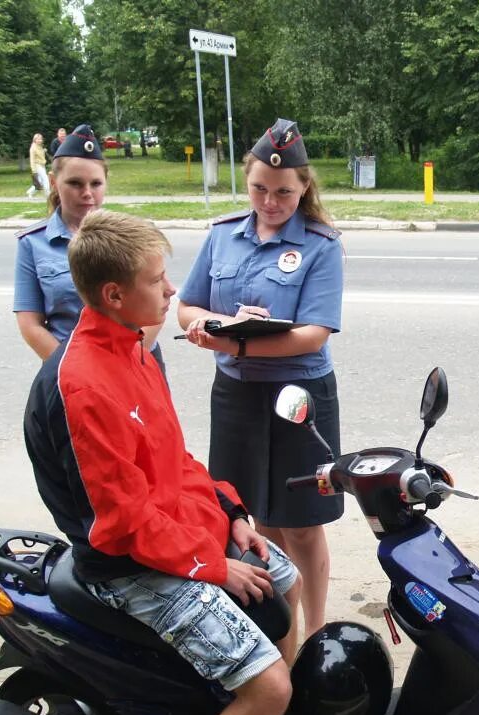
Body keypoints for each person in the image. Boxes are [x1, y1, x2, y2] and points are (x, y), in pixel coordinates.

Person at [23, 208, 297, 715]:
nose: (172, 291)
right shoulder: (85, 385)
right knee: (270, 683)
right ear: (115, 295)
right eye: (157, 279)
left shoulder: (136, 349)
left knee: (287, 573)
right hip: (130, 568)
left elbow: (173, 462)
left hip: (174, 531)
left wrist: (230, 515)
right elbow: (123, 524)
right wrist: (213, 564)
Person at [177, 118, 344, 661]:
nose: (270, 202)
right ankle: (276, 634)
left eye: (284, 193)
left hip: (299, 397)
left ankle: (317, 638)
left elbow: (314, 332)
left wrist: (238, 345)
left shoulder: (321, 245)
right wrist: (213, 324)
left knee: (301, 524)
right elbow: (186, 305)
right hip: (238, 397)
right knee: (249, 520)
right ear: (246, 183)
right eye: (259, 189)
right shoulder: (222, 234)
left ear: (304, 189)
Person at [13, 124, 164, 366]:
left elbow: (158, 305)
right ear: (53, 182)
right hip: (70, 368)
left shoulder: (133, 234)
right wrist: (76, 368)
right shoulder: (32, 243)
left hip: (137, 362)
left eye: (96, 184)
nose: (87, 193)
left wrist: (126, 364)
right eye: (75, 183)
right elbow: (30, 324)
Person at [25, 132, 49, 200]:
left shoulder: (40, 146)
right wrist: (33, 170)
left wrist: (44, 151)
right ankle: (48, 194)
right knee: (45, 179)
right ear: (34, 140)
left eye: (41, 139)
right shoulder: (33, 148)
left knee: (40, 182)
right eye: (38, 139)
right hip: (37, 166)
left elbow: (40, 155)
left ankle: (30, 192)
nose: (40, 140)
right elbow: (32, 160)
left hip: (42, 165)